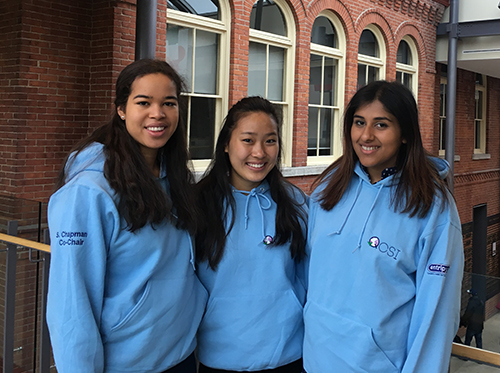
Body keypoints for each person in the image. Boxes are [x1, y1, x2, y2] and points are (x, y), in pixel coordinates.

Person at [46, 59, 207, 373]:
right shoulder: (89, 193)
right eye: (143, 102)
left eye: (168, 103)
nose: (157, 114)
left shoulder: (175, 179)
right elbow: (72, 304)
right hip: (127, 364)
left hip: (182, 356)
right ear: (121, 109)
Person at [303, 80, 464, 372]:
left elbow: (437, 313)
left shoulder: (432, 206)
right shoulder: (328, 188)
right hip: (316, 360)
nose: (366, 135)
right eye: (359, 122)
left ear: (404, 133)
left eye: (381, 125)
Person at [195, 96, 308, 373]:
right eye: (248, 140)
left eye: (270, 141)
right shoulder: (197, 205)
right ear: (226, 144)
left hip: (289, 357)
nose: (259, 152)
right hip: (218, 359)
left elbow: (309, 277)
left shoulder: (297, 204)